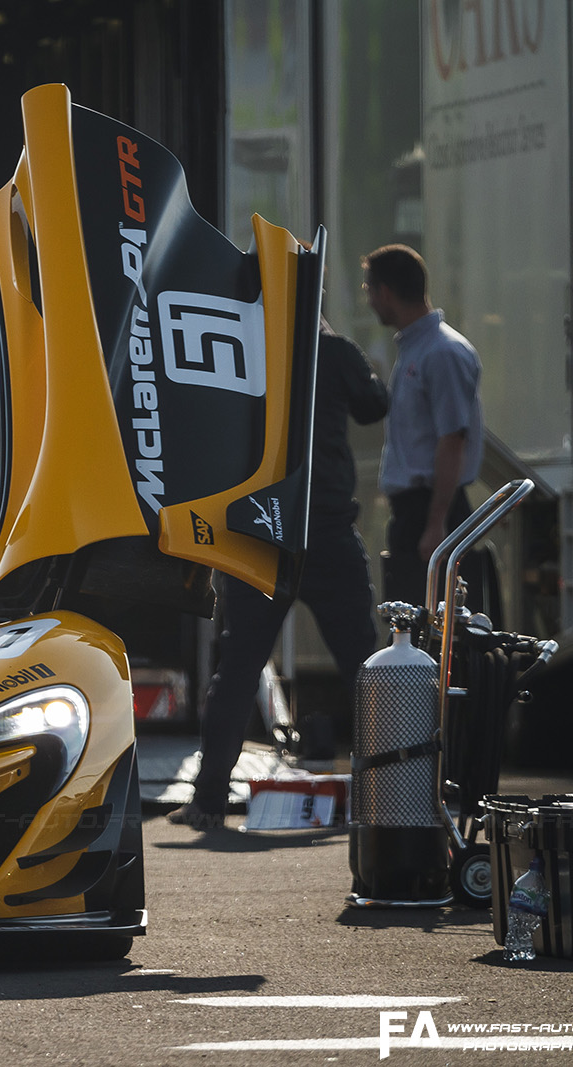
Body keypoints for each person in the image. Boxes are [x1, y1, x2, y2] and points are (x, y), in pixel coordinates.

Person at [169, 319, 388, 830]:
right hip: (328, 529)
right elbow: (376, 405)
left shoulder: (243, 347)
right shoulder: (334, 351)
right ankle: (395, 795)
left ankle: (207, 803)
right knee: (368, 669)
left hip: (262, 529)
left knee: (239, 668)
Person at [361, 243, 485, 608]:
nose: (369, 302)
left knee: (432, 629)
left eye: (369, 290)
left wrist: (436, 524)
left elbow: (452, 440)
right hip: (416, 513)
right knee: (411, 626)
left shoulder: (442, 352)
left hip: (431, 511)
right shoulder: (417, 349)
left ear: (385, 292)